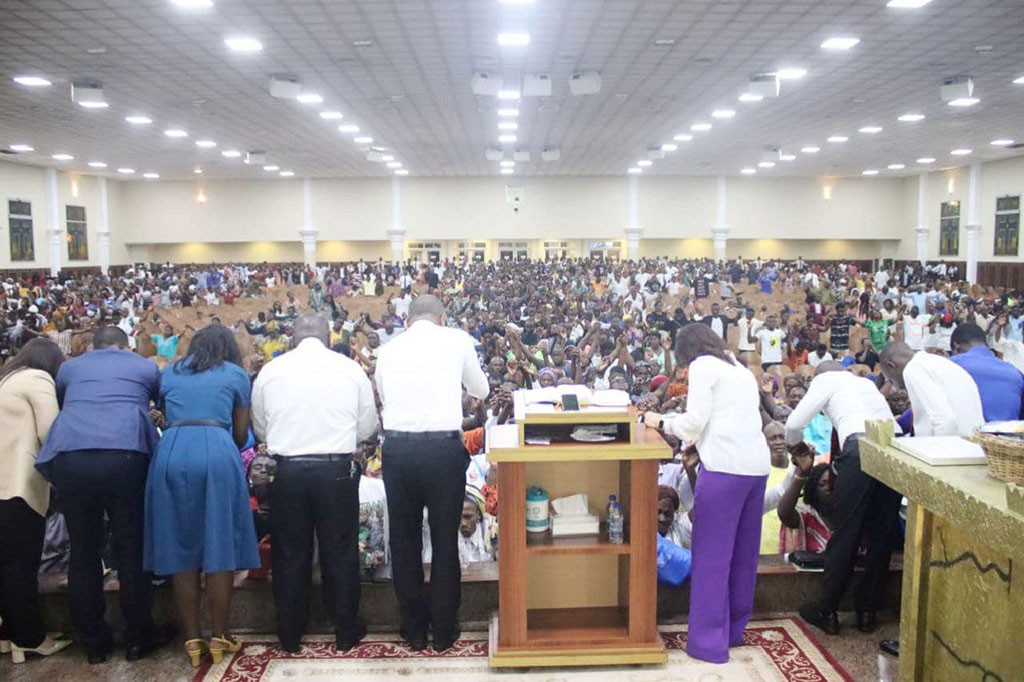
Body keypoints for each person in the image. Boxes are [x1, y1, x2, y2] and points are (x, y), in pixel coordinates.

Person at [35, 326, 175, 664]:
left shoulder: (69, 368)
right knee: (130, 547)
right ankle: (138, 637)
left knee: (83, 550)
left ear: (93, 346)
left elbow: (66, 404)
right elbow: (160, 404)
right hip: (124, 453)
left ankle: (94, 643)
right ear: (125, 346)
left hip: (70, 456)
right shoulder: (144, 366)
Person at [252, 314, 377, 654]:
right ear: (328, 337)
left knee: (289, 552)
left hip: (286, 470)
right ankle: (345, 630)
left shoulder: (270, 371)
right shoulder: (349, 369)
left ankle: (290, 634)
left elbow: (261, 428)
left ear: (293, 337)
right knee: (340, 550)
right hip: (335, 470)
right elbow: (367, 427)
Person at [644, 324, 769, 664]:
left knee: (712, 558)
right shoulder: (738, 368)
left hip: (724, 470)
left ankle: (708, 643)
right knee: (743, 556)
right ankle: (733, 631)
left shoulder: (702, 366)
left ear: (687, 351)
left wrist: (658, 421)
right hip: (756, 469)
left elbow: (692, 423)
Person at [374, 295, 489, 652]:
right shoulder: (456, 339)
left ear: (407, 320)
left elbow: (384, 397)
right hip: (442, 451)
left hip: (399, 450)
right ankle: (442, 630)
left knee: (405, 542)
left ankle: (414, 630)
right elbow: (481, 390)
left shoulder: (388, 350)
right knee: (444, 541)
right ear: (442, 318)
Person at [144, 325, 260, 667]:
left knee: (181, 547)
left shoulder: (170, 373)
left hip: (171, 451)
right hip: (217, 448)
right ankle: (221, 635)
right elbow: (241, 433)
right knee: (219, 546)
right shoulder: (235, 375)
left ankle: (192, 639)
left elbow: (165, 413)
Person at [784, 362, 900, 636]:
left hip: (860, 449)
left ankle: (827, 610)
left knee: (847, 531)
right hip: (895, 449)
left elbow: (794, 423)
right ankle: (867, 612)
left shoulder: (826, 380)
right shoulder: (864, 383)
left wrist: (795, 445)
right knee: (881, 534)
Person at [0, 339, 72, 663]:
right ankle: (30, 638)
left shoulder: (7, 380)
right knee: (21, 566)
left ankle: (8, 634)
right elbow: (51, 432)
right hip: (18, 486)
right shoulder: (37, 378)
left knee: (4, 564)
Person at [880, 342, 984, 438]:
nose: (896, 386)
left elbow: (945, 421)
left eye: (891, 380)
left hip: (954, 446)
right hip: (973, 441)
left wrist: (937, 450)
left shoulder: (913, 369)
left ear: (891, 365)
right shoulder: (937, 362)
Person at [949, 323, 1024, 421]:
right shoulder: (1016, 373)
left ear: (956, 346)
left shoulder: (949, 365)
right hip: (1010, 430)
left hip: (966, 430)